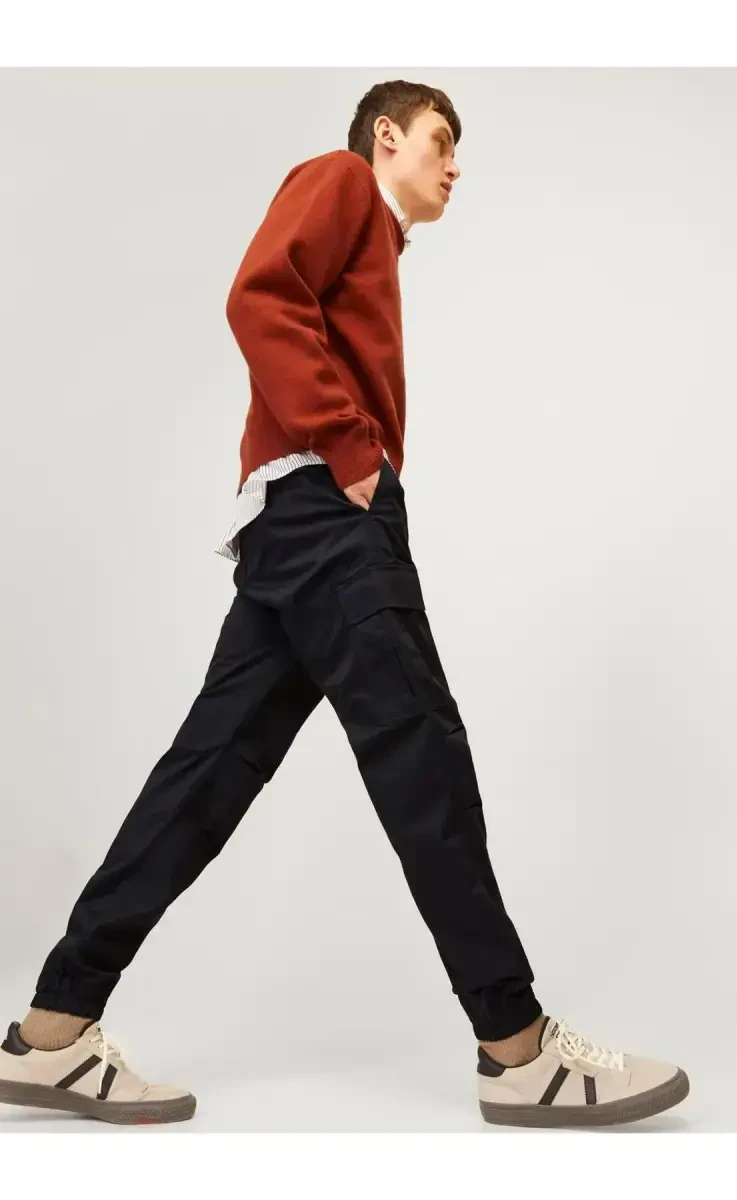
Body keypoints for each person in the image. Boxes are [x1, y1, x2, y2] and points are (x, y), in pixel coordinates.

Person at [0, 79, 689, 1129]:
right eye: (440, 141)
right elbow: (257, 297)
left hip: (298, 523)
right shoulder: (339, 182)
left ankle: (53, 1028)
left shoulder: (374, 238)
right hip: (327, 513)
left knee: (206, 775)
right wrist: (351, 446)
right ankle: (516, 1047)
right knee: (422, 757)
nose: (454, 165)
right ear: (385, 135)